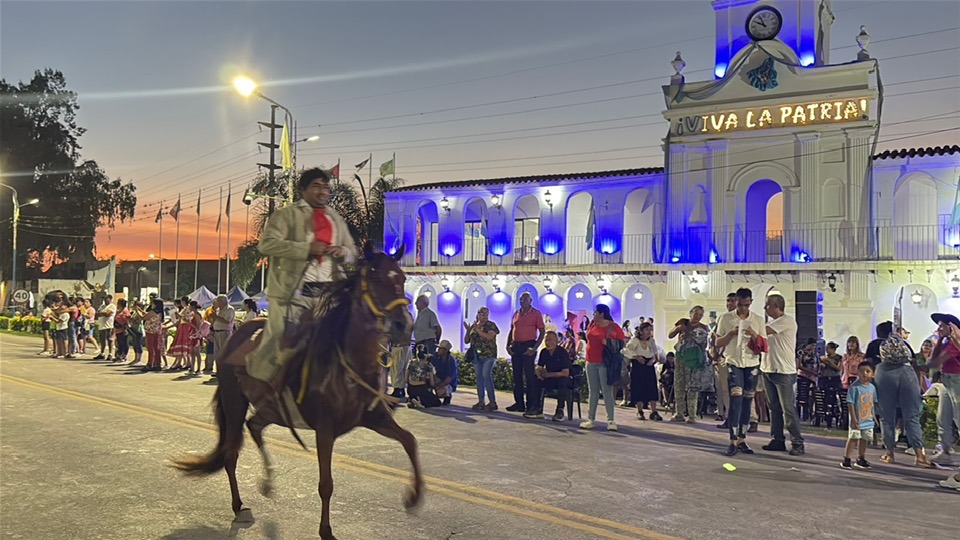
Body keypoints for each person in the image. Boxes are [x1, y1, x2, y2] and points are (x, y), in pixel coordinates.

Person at [246, 167, 358, 390]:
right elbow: (266, 244)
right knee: (282, 338)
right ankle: (266, 384)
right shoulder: (286, 215)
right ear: (303, 190)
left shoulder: (335, 218)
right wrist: (306, 248)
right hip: (294, 291)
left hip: (331, 291)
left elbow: (353, 251)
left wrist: (342, 251)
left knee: (355, 334)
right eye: (316, 186)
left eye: (325, 186)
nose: (322, 191)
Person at [871, 321, 934, 467]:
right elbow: (913, 361)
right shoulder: (904, 344)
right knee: (912, 417)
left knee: (887, 417)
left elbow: (868, 363)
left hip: (884, 374)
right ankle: (920, 455)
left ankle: (889, 453)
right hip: (907, 373)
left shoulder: (875, 344)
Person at [716, 288, 766, 456]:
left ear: (751, 302)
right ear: (735, 301)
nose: (743, 308)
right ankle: (732, 440)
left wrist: (752, 333)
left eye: (746, 305)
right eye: (740, 304)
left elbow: (764, 343)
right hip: (734, 361)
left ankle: (742, 438)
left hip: (751, 362)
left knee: (747, 400)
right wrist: (731, 333)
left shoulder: (757, 320)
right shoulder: (726, 318)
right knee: (735, 398)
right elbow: (717, 341)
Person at [759, 294, 805, 456]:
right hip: (768, 368)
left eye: (768, 306)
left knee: (788, 409)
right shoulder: (772, 322)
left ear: (776, 306)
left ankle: (797, 442)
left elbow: (762, 331)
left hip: (784, 371)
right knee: (774, 408)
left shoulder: (787, 321)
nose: (765, 308)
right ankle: (777, 439)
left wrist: (748, 325)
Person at [923, 314, 960, 491]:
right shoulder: (946, 342)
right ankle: (945, 451)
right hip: (947, 380)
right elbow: (933, 358)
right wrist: (939, 339)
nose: (938, 329)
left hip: (957, 381)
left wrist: (922, 367)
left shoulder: (955, 343)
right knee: (942, 417)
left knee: (959, 420)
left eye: (942, 326)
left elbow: (937, 362)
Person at [580, 304, 626, 431]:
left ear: (601, 314)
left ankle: (610, 420)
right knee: (593, 391)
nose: (593, 315)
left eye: (595, 312)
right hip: (590, 360)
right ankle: (591, 418)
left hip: (605, 362)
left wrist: (609, 342)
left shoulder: (613, 327)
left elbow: (621, 343)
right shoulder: (592, 325)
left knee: (607, 392)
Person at [668, 306, 710, 423]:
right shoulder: (683, 322)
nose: (697, 317)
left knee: (692, 386)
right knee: (679, 384)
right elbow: (670, 335)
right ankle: (679, 412)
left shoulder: (703, 328)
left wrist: (691, 336)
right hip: (681, 356)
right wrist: (678, 329)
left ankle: (692, 415)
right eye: (696, 314)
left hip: (693, 358)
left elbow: (704, 345)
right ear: (691, 313)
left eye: (700, 315)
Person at [506, 292, 545, 414]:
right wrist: (508, 345)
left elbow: (542, 332)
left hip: (528, 345)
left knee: (529, 376)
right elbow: (512, 329)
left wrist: (534, 348)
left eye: (525, 299)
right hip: (516, 345)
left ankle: (531, 404)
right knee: (517, 376)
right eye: (521, 299)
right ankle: (519, 403)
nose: (523, 301)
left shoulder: (536, 314)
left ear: (530, 301)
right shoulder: (516, 313)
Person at [623, 322, 664, 421]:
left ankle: (653, 411)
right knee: (638, 387)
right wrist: (636, 356)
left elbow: (655, 353)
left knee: (651, 387)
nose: (649, 332)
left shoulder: (651, 341)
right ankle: (640, 411)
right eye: (647, 330)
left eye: (650, 330)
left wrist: (654, 360)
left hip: (649, 366)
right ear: (641, 331)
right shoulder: (635, 340)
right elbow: (626, 350)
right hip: (638, 366)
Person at [528, 330, 571, 421]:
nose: (548, 343)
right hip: (549, 378)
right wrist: (538, 372)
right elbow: (539, 366)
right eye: (546, 340)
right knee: (535, 379)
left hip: (560, 377)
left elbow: (565, 373)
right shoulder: (544, 352)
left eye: (551, 340)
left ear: (556, 341)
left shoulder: (562, 352)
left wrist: (550, 374)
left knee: (562, 381)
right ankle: (536, 408)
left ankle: (560, 410)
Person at [841, 362, 877, 470]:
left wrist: (874, 416)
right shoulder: (854, 387)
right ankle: (847, 459)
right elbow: (850, 403)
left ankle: (861, 458)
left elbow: (872, 403)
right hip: (857, 418)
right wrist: (854, 418)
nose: (864, 374)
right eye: (861, 371)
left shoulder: (872, 388)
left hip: (867, 419)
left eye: (867, 371)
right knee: (853, 438)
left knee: (864, 439)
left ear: (872, 374)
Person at [465, 306, 500, 412]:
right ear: (478, 314)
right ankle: (481, 401)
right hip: (477, 356)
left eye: (486, 314)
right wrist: (468, 331)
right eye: (482, 314)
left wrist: (477, 330)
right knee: (479, 378)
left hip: (489, 355)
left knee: (486, 375)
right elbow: (467, 341)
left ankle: (492, 402)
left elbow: (489, 337)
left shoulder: (491, 325)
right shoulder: (475, 325)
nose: (484, 316)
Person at [714, 293, 738, 426]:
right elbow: (718, 339)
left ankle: (751, 419)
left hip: (739, 358)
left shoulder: (745, 317)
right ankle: (729, 416)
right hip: (724, 358)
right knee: (725, 389)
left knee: (742, 390)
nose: (729, 303)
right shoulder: (723, 318)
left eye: (733, 301)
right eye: (728, 300)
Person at [818, 341, 844, 429]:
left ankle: (836, 414)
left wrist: (829, 362)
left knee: (834, 399)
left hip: (834, 380)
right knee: (823, 398)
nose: (827, 350)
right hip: (824, 379)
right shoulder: (823, 358)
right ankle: (824, 415)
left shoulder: (839, 358)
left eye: (828, 348)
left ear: (833, 349)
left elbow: (838, 369)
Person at [208, 294, 235, 375]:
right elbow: (215, 321)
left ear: (221, 301)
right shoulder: (218, 310)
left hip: (225, 333)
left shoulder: (229, 309)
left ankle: (226, 371)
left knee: (224, 353)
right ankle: (219, 371)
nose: (215, 303)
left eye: (217, 301)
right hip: (217, 333)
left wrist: (215, 317)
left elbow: (227, 321)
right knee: (217, 353)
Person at [796, 338, 820, 422]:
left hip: (812, 377)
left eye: (814, 345)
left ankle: (809, 415)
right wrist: (808, 370)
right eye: (812, 345)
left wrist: (816, 371)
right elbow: (798, 365)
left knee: (811, 396)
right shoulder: (801, 352)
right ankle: (799, 415)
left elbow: (817, 363)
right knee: (801, 396)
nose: (813, 347)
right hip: (802, 376)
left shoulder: (815, 354)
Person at [430, 340, 458, 406]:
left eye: (440, 348)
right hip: (439, 378)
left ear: (445, 350)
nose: (438, 350)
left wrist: (437, 386)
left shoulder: (451, 362)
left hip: (449, 383)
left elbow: (448, 379)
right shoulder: (436, 356)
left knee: (440, 393)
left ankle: (447, 395)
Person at [142, 298, 165, 372]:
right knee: (156, 347)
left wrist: (136, 310)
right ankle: (157, 363)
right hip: (157, 331)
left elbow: (144, 317)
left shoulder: (153, 312)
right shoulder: (160, 313)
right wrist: (139, 309)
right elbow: (145, 314)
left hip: (150, 331)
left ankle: (150, 363)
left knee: (150, 348)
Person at [93, 295, 117, 361]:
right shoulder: (102, 306)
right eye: (104, 299)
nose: (105, 300)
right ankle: (102, 353)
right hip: (102, 325)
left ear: (110, 299)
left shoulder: (112, 306)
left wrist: (102, 313)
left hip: (109, 326)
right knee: (102, 340)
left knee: (110, 340)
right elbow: (97, 313)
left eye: (107, 299)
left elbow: (107, 314)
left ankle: (110, 354)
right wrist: (102, 313)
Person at [127, 300, 146, 366]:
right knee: (134, 344)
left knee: (138, 344)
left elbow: (140, 318)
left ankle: (139, 359)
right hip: (133, 329)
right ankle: (136, 358)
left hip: (139, 330)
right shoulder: (134, 312)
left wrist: (138, 310)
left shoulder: (140, 312)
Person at [113, 298, 131, 363]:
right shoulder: (118, 311)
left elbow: (127, 320)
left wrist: (126, 326)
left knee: (123, 343)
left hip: (123, 329)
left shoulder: (125, 311)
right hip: (117, 329)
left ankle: (123, 355)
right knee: (118, 343)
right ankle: (118, 355)